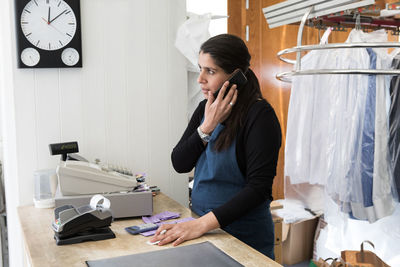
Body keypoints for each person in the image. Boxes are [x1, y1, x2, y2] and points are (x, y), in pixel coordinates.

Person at [150, 34, 281, 259]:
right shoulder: (204, 110)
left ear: (237, 76)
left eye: (210, 71)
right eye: (200, 68)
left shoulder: (260, 116)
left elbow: (258, 189)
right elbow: (179, 163)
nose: (200, 79)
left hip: (244, 238)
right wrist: (207, 127)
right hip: (202, 229)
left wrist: (201, 225)